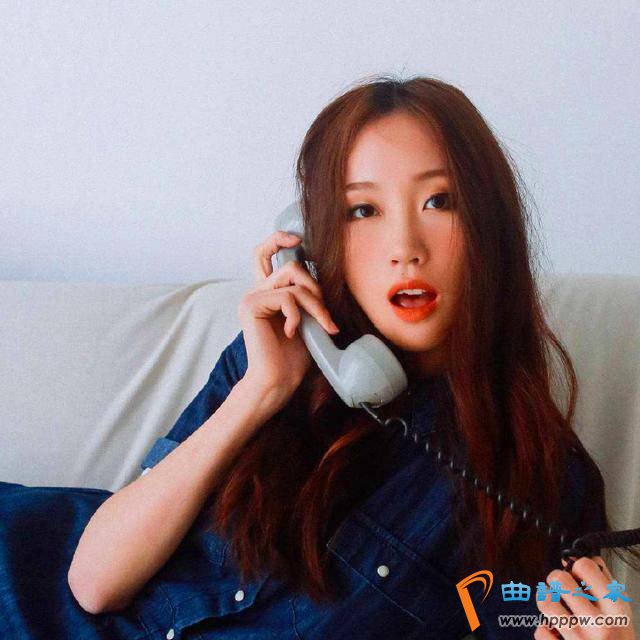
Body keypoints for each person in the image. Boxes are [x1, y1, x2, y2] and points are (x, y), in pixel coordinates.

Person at [1, 75, 637, 639]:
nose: (404, 247)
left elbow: (534, 615)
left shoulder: (539, 483)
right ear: (317, 237)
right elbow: (93, 584)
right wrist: (260, 392)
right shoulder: (274, 358)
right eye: (363, 210)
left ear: (490, 226)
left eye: (439, 201)